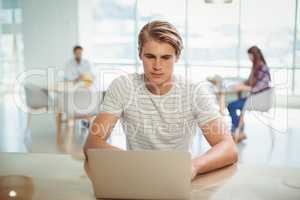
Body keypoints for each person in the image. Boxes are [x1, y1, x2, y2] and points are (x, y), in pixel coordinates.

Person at [83, 20, 238, 181]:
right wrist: (133, 163)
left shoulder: (195, 91)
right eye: (150, 56)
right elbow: (92, 144)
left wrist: (193, 166)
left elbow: (228, 147)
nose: (157, 66)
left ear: (177, 57)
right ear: (140, 55)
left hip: (177, 178)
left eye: (165, 57)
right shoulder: (123, 86)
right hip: (136, 176)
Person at [227, 46, 271, 143]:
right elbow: (251, 82)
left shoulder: (263, 68)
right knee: (234, 105)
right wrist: (242, 84)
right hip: (253, 98)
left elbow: (260, 87)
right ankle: (238, 130)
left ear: (254, 56)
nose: (249, 58)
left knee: (231, 106)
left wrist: (243, 87)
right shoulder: (256, 67)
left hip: (258, 100)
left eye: (250, 56)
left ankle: (238, 129)